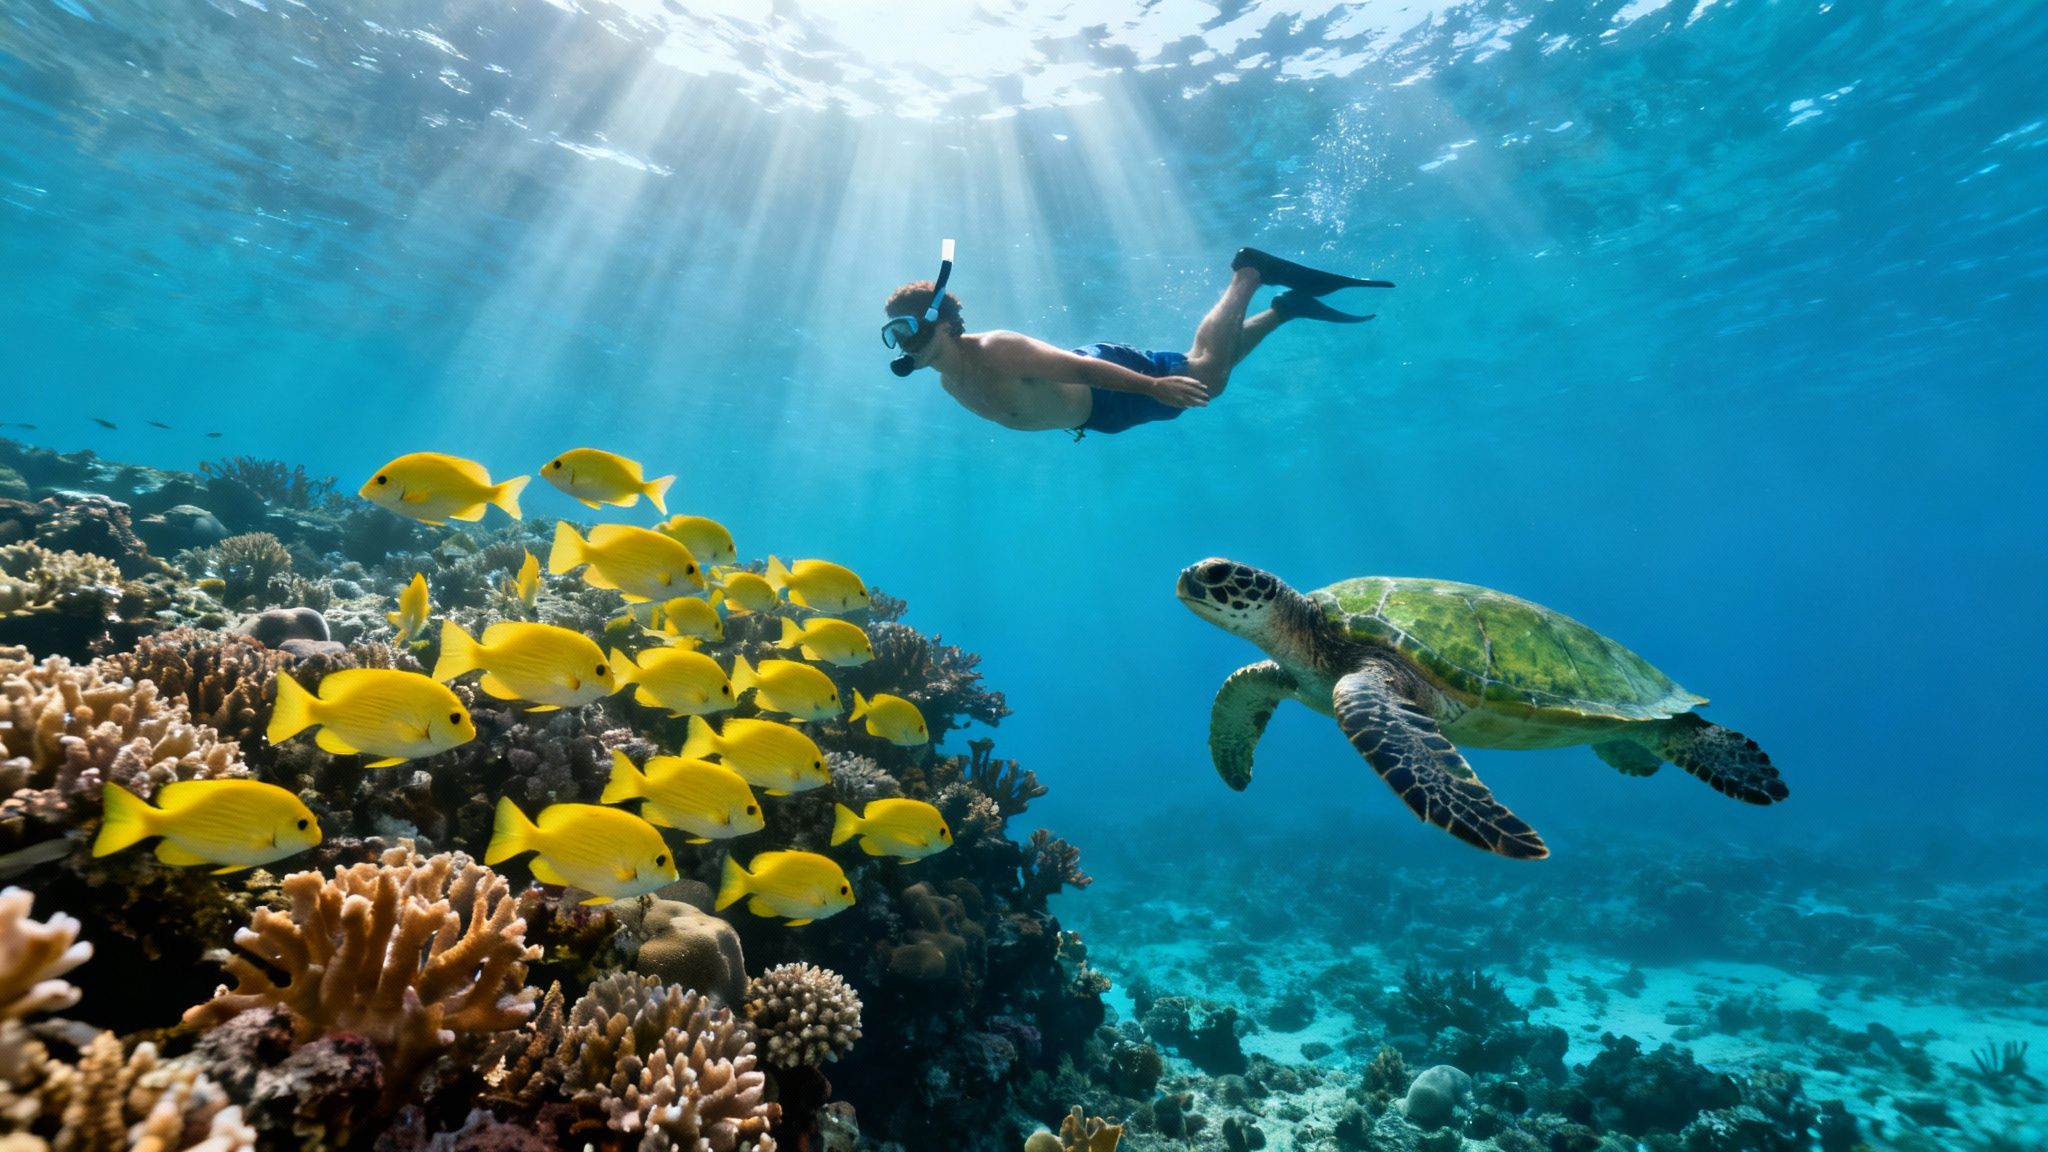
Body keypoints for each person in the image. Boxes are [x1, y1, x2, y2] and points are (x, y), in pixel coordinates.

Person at [880, 247, 1391, 438]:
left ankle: (1249, 272)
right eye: (892, 336)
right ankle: (1285, 309)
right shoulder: (950, 383)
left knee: (1205, 378)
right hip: (1098, 418)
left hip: (1109, 386)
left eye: (904, 329)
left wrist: (1151, 387)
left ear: (941, 324)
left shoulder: (995, 349)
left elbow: (1080, 370)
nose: (901, 344)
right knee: (1206, 374)